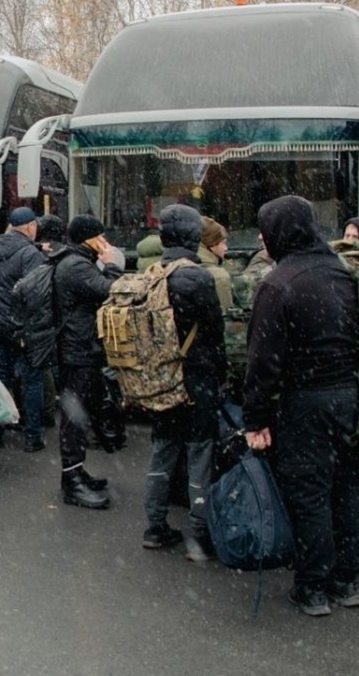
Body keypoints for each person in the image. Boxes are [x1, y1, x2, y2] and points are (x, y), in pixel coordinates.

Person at [243, 195, 359, 617]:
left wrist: (255, 417)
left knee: (309, 492)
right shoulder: (342, 273)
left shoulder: (278, 284)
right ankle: (347, 581)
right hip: (349, 396)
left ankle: (312, 586)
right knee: (345, 487)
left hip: (303, 403)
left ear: (280, 232)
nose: (261, 237)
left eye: (265, 228)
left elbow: (262, 362)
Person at [140, 205, 227, 561]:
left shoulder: (150, 274)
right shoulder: (198, 278)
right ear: (194, 237)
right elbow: (214, 333)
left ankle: (154, 527)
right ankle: (200, 534)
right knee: (199, 456)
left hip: (160, 379)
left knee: (162, 453)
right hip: (197, 378)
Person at [53, 215, 125, 510]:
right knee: (74, 415)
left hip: (82, 347)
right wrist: (110, 263)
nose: (105, 241)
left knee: (80, 413)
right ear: (89, 238)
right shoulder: (76, 266)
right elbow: (111, 290)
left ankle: (77, 472)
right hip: (77, 350)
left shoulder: (76, 261)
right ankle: (72, 481)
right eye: (101, 236)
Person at [0, 207, 48, 452]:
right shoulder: (29, 253)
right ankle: (32, 436)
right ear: (30, 227)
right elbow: (36, 292)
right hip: (24, 326)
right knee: (32, 379)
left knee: (1, 377)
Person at [198, 217, 233, 312]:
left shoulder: (175, 265)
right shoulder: (218, 276)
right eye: (223, 243)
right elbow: (225, 318)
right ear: (212, 245)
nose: (226, 248)